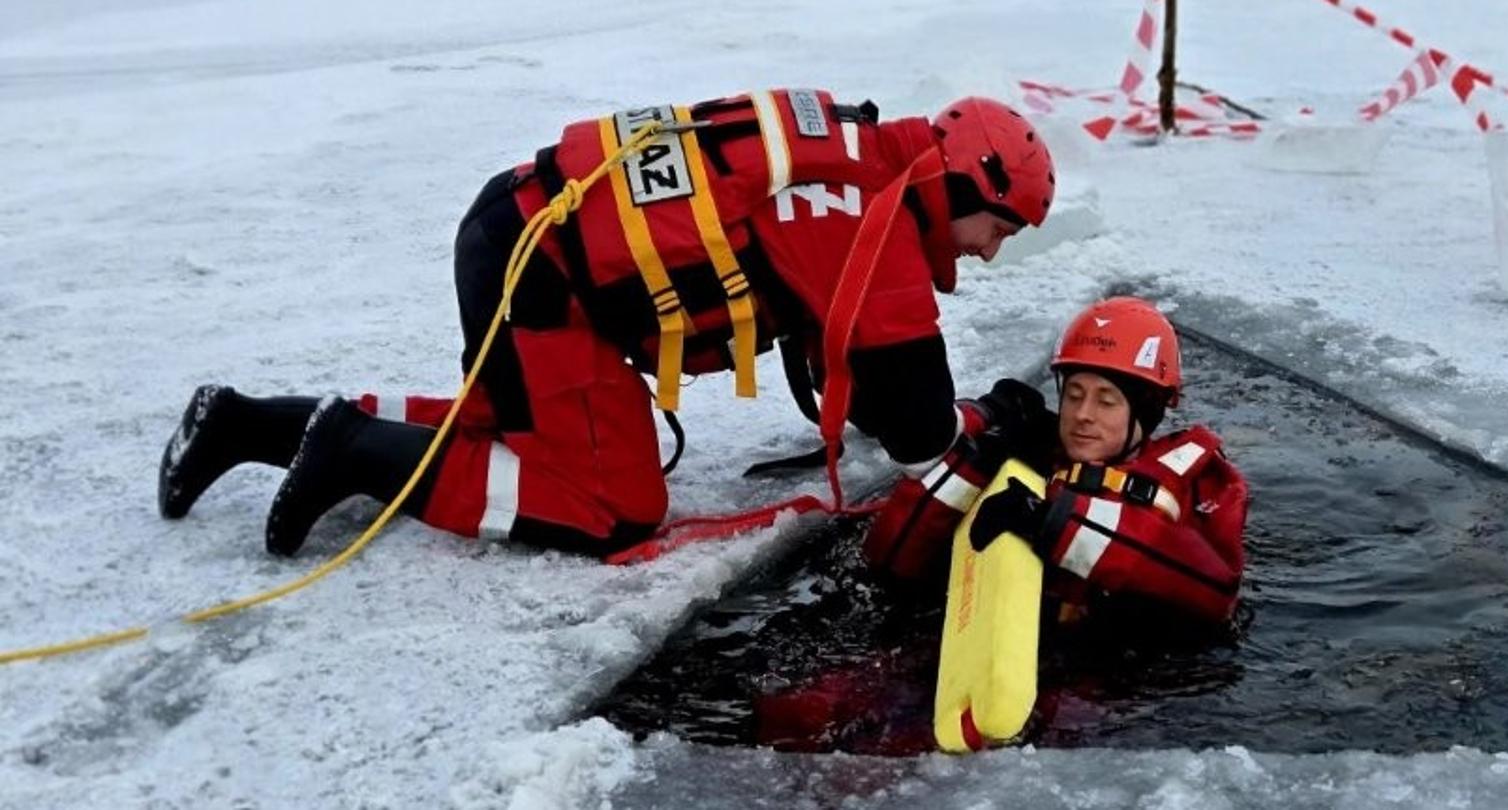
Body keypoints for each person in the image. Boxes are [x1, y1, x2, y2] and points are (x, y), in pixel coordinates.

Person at [156, 89, 1055, 558]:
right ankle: (350, 447)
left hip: (520, 230)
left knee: (520, 420)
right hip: (545, 279)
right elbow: (917, 432)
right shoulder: (874, 225)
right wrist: (998, 438)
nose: (988, 253)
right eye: (999, 228)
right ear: (963, 185)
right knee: (613, 511)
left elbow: (857, 377)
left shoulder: (854, 150)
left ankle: (240, 422)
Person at [862, 296, 1248, 626]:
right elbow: (886, 562)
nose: (1083, 413)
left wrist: (1047, 520)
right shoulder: (1034, 458)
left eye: (1106, 400)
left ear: (1147, 411)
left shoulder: (1192, 484)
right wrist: (977, 459)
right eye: (1075, 394)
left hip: (1105, 690)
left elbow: (1215, 592)